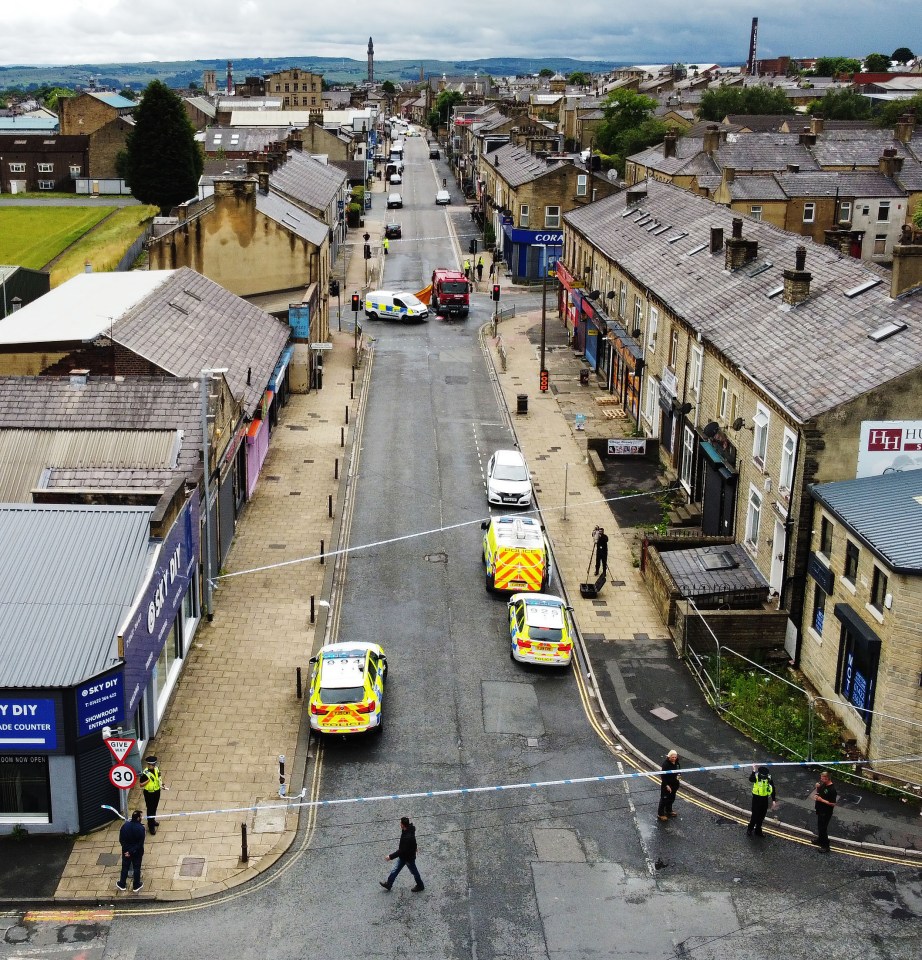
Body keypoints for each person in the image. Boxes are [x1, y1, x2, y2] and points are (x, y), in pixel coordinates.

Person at [380, 816, 424, 892]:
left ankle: (420, 885)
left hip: (408, 858)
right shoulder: (409, 829)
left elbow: (401, 851)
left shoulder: (407, 837)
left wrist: (390, 856)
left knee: (414, 872)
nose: (400, 824)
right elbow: (413, 840)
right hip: (405, 856)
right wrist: (415, 847)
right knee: (395, 870)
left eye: (400, 823)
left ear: (403, 825)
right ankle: (389, 884)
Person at [116, 810, 146, 892]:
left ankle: (122, 884)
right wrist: (131, 851)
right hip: (137, 852)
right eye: (141, 816)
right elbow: (140, 844)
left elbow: (121, 840)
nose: (142, 818)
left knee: (125, 867)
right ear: (138, 818)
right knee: (137, 868)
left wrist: (127, 851)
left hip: (126, 852)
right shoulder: (141, 829)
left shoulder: (125, 826)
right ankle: (136, 885)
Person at [747, 764, 777, 837]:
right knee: (754, 816)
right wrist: (753, 771)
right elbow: (751, 779)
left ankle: (758, 830)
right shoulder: (756, 777)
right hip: (756, 799)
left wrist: (773, 800)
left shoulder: (769, 777)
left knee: (761, 816)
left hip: (764, 799)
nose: (764, 777)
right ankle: (750, 829)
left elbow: (772, 788)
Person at [812, 770, 837, 850]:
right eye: (821, 778)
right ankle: (820, 840)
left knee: (823, 828)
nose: (821, 780)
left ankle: (826, 846)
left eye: (822, 779)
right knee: (820, 827)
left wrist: (821, 800)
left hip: (826, 812)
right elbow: (820, 793)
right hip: (820, 810)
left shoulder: (832, 790)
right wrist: (817, 788)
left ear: (827, 778)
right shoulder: (824, 785)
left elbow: (833, 803)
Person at [139, 756, 163, 835]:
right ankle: (151, 826)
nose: (151, 766)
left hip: (157, 791)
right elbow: (141, 784)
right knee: (150, 809)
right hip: (149, 793)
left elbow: (158, 778)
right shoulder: (145, 773)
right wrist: (148, 781)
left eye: (152, 765)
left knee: (154, 807)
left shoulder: (156, 769)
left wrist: (162, 784)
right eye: (149, 765)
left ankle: (152, 820)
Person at [657, 750, 680, 821]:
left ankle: (669, 811)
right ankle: (660, 814)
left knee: (671, 799)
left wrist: (678, 778)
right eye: (672, 757)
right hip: (667, 785)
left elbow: (679, 771)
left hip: (675, 785)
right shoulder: (665, 764)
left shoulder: (677, 763)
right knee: (664, 800)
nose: (674, 758)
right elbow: (663, 776)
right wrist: (667, 785)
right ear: (669, 757)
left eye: (675, 757)